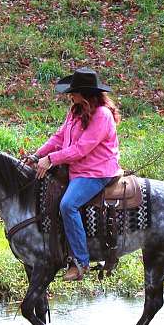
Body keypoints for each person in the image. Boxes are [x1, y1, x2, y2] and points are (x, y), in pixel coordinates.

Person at [32, 67, 122, 281]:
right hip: (79, 169)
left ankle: (81, 262)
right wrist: (37, 155)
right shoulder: (75, 111)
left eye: (72, 91)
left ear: (84, 93)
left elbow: (81, 149)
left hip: (97, 171)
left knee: (68, 204)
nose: (69, 95)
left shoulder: (102, 115)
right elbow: (58, 138)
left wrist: (52, 159)